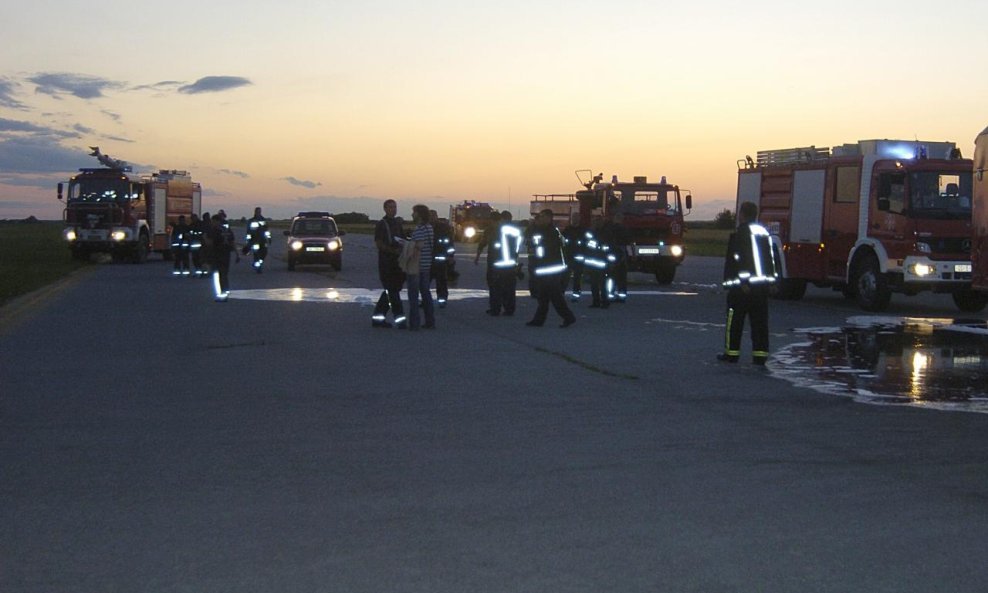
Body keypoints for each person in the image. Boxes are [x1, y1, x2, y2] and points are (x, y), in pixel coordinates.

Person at [719, 201, 779, 365]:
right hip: (761, 288)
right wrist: (772, 282)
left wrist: (743, 281)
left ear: (742, 215)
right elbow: (769, 259)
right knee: (760, 323)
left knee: (735, 322)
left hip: (742, 289)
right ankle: (760, 355)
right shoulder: (763, 233)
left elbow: (739, 258)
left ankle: (732, 353)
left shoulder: (740, 234)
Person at [526, 209, 576, 328]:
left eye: (542, 216)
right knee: (544, 296)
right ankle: (539, 320)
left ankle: (568, 317)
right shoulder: (545, 231)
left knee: (554, 296)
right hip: (545, 268)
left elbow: (545, 250)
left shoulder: (550, 232)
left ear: (548, 218)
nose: (540, 218)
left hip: (550, 268)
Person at [475, 210, 523, 316]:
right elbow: (518, 247)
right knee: (509, 287)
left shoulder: (493, 230)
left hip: (496, 262)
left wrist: (478, 256)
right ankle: (509, 309)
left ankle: (495, 308)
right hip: (510, 262)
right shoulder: (515, 231)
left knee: (495, 286)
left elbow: (483, 243)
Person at [372, 199, 407, 328]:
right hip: (387, 263)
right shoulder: (382, 224)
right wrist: (393, 251)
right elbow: (379, 244)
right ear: (385, 209)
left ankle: (378, 318)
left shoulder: (398, 224)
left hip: (398, 263)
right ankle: (400, 320)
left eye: (395, 207)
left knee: (392, 290)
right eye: (391, 207)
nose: (393, 209)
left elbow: (403, 240)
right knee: (393, 292)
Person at [405, 204, 436, 330]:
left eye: (414, 212)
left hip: (416, 266)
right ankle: (430, 321)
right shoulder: (429, 228)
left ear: (419, 214)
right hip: (426, 265)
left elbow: (417, 247)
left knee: (413, 295)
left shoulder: (419, 229)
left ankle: (414, 323)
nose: (412, 214)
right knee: (426, 293)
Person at [206, 213, 239, 302]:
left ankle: (221, 294)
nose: (212, 223)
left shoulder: (213, 231)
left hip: (217, 254)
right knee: (224, 274)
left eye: (213, 221)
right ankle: (226, 292)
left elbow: (210, 243)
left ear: (216, 221)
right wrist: (237, 254)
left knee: (217, 275)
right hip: (226, 255)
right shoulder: (227, 230)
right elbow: (232, 242)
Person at [598, 211, 630, 302]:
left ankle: (610, 294)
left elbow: (604, 239)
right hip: (621, 255)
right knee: (622, 277)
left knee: (611, 276)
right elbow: (629, 241)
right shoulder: (624, 229)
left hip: (612, 254)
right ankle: (622, 296)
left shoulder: (610, 228)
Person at [429, 209, 454, 308]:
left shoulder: (444, 228)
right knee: (425, 282)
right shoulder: (426, 227)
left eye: (433, 216)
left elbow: (450, 243)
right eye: (430, 216)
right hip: (428, 260)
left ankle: (442, 300)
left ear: (436, 216)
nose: (432, 218)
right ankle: (425, 300)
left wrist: (451, 257)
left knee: (441, 282)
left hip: (441, 260)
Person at [562, 213, 587, 302]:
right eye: (573, 218)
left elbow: (586, 244)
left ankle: (576, 295)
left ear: (579, 219)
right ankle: (561, 294)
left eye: (576, 218)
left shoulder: (583, 230)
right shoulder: (567, 230)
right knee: (565, 277)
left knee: (577, 278)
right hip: (568, 257)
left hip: (578, 259)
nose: (574, 219)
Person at [243, 206, 271, 273]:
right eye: (257, 211)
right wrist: (248, 241)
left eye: (259, 211)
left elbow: (266, 230)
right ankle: (257, 264)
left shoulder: (263, 220)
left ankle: (260, 262)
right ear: (255, 212)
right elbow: (248, 231)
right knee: (256, 253)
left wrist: (269, 238)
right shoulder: (251, 220)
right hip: (254, 240)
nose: (258, 212)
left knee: (264, 252)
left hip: (263, 240)